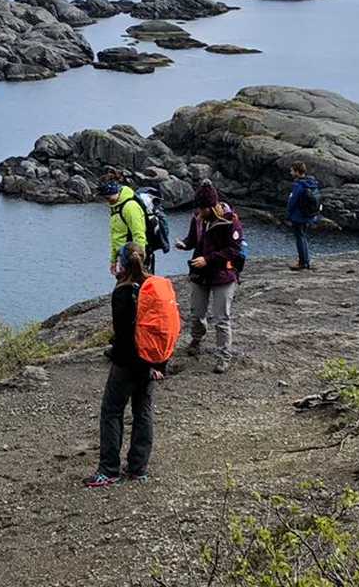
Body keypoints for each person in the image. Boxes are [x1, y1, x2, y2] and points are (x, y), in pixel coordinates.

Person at [86, 247, 166, 487]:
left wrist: (116, 354)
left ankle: (109, 470)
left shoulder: (123, 292)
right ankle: (138, 469)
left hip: (128, 363)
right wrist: (159, 363)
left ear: (122, 265)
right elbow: (162, 328)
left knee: (112, 411)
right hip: (151, 361)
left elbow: (123, 334)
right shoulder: (152, 287)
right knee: (143, 411)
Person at [179, 182, 243, 371]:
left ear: (211, 206)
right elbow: (193, 240)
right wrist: (184, 244)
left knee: (221, 317)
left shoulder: (230, 221)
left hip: (223, 275)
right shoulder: (197, 219)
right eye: (197, 208)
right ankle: (196, 339)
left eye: (201, 208)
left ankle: (223, 356)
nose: (198, 212)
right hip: (200, 275)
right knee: (196, 314)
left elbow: (234, 250)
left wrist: (208, 259)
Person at [101, 176, 147, 278]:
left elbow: (139, 234)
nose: (107, 201)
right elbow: (116, 237)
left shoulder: (130, 207)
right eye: (105, 198)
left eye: (108, 198)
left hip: (134, 257)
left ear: (115, 193)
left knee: (137, 288)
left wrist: (139, 260)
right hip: (123, 257)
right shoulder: (115, 207)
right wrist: (113, 261)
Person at [287, 162, 320, 270]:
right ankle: (305, 260)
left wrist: (288, 213)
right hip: (308, 215)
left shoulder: (299, 185)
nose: (290, 172)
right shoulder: (311, 182)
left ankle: (303, 263)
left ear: (297, 171)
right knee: (303, 236)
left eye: (292, 170)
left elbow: (292, 201)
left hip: (298, 215)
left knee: (300, 237)